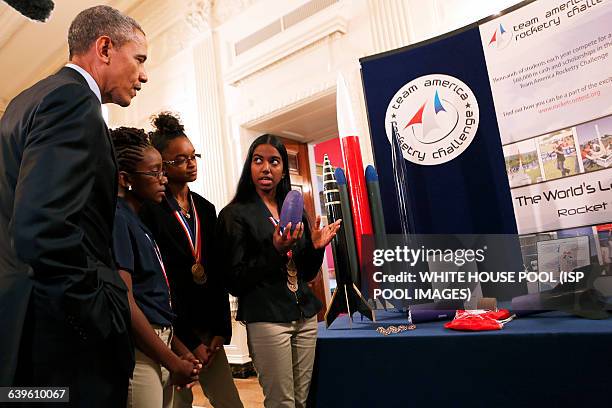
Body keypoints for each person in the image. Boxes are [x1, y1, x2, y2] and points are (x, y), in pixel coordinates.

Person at [0, 5, 147, 406]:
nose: (144, 75)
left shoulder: (23, 101)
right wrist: (99, 311)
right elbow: (41, 229)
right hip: (62, 339)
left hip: (23, 325)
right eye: (139, 59)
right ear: (104, 47)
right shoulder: (74, 101)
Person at [217, 134, 340, 408]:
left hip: (305, 315)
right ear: (249, 166)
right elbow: (235, 281)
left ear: (283, 168)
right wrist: (274, 249)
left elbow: (306, 273)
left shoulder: (294, 209)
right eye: (258, 160)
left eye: (274, 161)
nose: (266, 168)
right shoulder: (234, 215)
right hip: (267, 319)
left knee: (302, 400)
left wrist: (317, 247)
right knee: (281, 402)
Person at [140, 112, 243, 408]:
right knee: (177, 402)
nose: (191, 163)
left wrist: (221, 332)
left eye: (193, 155)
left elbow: (218, 273)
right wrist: (187, 342)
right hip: (175, 332)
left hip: (210, 330)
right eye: (180, 159)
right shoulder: (151, 212)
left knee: (229, 401)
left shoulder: (206, 209)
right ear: (162, 165)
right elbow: (163, 282)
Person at [110, 127, 202, 407]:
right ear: (126, 179)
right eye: (155, 173)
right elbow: (126, 302)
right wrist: (172, 361)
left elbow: (152, 300)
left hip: (161, 345)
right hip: (141, 352)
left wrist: (179, 350)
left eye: (163, 170)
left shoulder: (138, 221)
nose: (163, 179)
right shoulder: (118, 220)